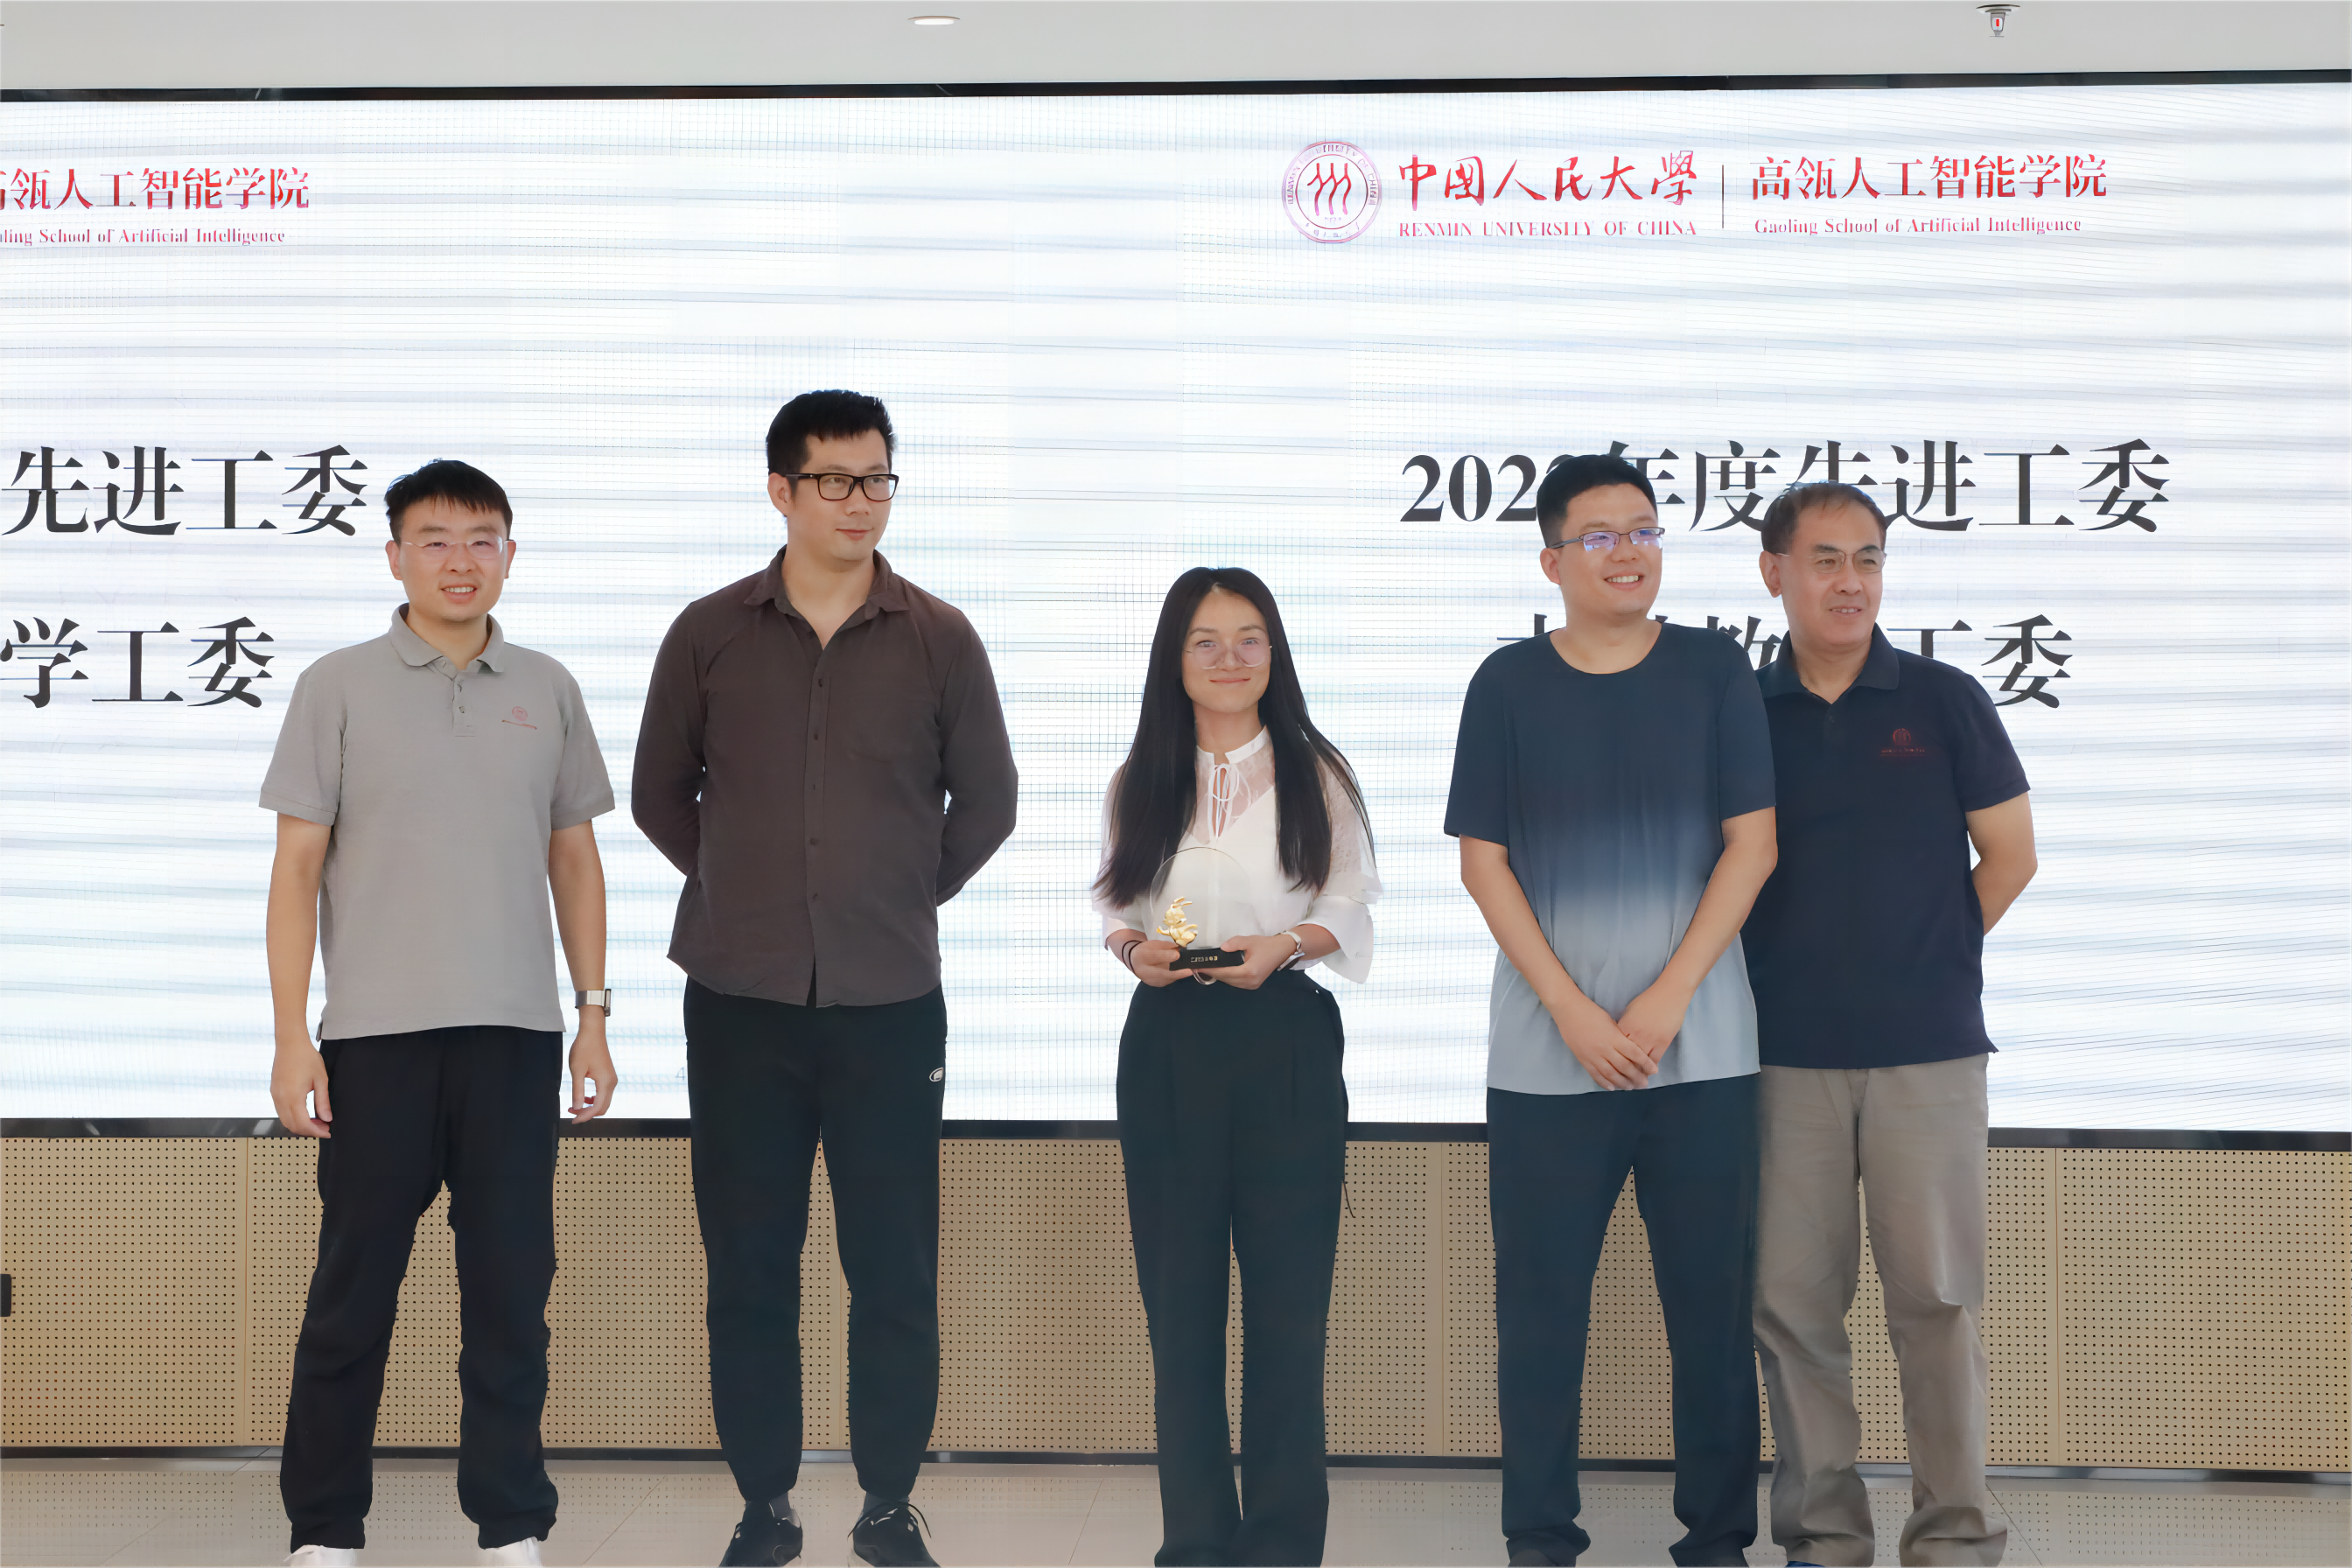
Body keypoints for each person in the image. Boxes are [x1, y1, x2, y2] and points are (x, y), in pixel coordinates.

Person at [634, 389, 1018, 1568]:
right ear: (781, 489)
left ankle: (888, 1503)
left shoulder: (940, 637)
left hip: (890, 1003)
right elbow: (659, 794)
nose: (862, 501)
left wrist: (890, 894)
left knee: (893, 1268)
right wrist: (752, 889)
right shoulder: (708, 633)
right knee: (750, 1268)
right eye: (837, 479)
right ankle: (765, 1505)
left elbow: (988, 803)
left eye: (878, 478)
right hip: (738, 1001)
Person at [262, 459, 618, 1568]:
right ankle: (325, 1528)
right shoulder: (336, 685)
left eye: (481, 539)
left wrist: (593, 1014)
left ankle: (510, 1522)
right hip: (374, 1041)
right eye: (435, 539)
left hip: (517, 1036)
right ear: (395, 556)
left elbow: (575, 859)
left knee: (511, 1294)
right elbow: (296, 870)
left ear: (510, 553)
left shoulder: (548, 687)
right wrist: (291, 1037)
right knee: (353, 1292)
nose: (460, 561)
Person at [1446, 454, 1778, 1568]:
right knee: (1540, 1315)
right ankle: (1541, 1538)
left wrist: (1672, 992)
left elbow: (1752, 846)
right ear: (1552, 561)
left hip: (1704, 1051)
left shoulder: (1714, 669)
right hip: (1547, 1060)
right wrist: (1572, 1011)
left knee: (1712, 1315)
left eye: (1643, 529)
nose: (1628, 551)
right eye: (1599, 535)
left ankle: (1717, 1540)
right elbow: (1483, 862)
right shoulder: (1506, 683)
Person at [1745, 483, 2036, 1568]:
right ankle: (1824, 1537)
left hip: (1930, 1055)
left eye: (1868, 558)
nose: (1851, 581)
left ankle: (1955, 1536)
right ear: (1774, 571)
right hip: (1780, 1058)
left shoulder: (1944, 699)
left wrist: (1927, 954)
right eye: (1825, 558)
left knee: (1939, 1303)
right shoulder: (1739, 710)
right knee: (1793, 1310)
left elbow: (2011, 855)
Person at [1095, 566, 1379, 1568]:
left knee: (1289, 1313)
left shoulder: (1317, 771)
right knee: (1181, 1314)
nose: (1230, 658)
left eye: (1250, 638)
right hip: (1169, 1044)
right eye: (1206, 641)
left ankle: (1283, 1545)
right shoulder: (1142, 775)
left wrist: (1287, 943)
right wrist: (1134, 951)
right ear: (1174, 658)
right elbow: (1117, 906)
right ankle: (1198, 1543)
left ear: (1275, 652)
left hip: (1284, 1035)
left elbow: (1349, 900)